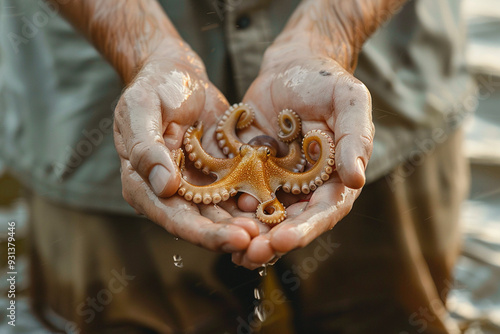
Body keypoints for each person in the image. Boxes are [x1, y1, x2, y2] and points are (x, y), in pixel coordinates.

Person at [0, 0, 475, 332]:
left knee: (391, 316)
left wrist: (331, 32)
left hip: (383, 85)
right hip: (89, 106)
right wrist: (142, 50)